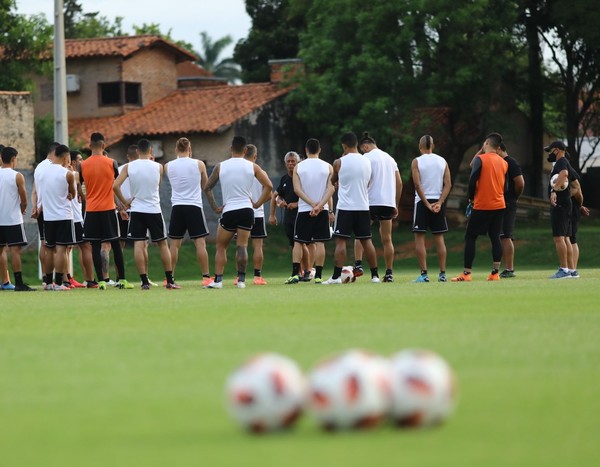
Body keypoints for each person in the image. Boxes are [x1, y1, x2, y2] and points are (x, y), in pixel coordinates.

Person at [203, 136, 273, 289]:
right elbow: (268, 186)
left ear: (230, 149)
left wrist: (215, 207)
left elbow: (207, 187)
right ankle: (241, 281)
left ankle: (219, 281)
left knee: (221, 246)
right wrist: (257, 204)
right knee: (242, 246)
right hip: (247, 211)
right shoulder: (252, 167)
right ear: (245, 150)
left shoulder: (221, 166)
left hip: (229, 210)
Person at [114, 138, 178, 290]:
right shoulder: (158, 167)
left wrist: (125, 202)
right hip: (154, 209)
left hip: (136, 210)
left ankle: (144, 281)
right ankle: (170, 280)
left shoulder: (129, 167)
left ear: (137, 151)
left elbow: (115, 185)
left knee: (138, 243)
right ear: (151, 151)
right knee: (162, 243)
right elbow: (158, 184)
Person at [452, 133, 508, 282]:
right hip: (499, 204)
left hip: (483, 204)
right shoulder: (504, 162)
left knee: (470, 236)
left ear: (487, 143)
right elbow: (505, 186)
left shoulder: (480, 159)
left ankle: (466, 273)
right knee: (495, 237)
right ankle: (495, 273)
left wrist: (471, 198)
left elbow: (472, 181)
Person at [325, 132, 380, 284]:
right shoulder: (366, 161)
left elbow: (333, 180)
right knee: (366, 241)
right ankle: (375, 276)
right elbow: (368, 182)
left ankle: (336, 277)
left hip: (345, 208)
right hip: (363, 206)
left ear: (344, 146)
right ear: (357, 144)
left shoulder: (339, 162)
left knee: (341, 242)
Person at [79, 132, 132, 289]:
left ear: (90, 146)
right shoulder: (112, 163)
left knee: (95, 245)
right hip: (108, 209)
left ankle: (101, 281)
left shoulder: (83, 165)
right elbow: (114, 186)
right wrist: (122, 205)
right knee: (115, 244)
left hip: (91, 210)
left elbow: (80, 186)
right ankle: (122, 279)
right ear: (103, 145)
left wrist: (86, 199)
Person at [285, 138, 335, 284]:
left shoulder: (299, 167)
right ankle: (318, 276)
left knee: (298, 242)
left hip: (304, 210)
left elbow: (297, 189)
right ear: (319, 150)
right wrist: (320, 206)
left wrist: (312, 204)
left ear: (306, 151)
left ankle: (295, 274)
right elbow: (331, 189)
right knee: (320, 243)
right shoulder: (328, 166)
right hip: (322, 210)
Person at [354, 132, 402, 283]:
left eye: (363, 149)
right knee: (387, 239)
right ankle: (389, 273)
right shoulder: (390, 159)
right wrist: (395, 203)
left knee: (361, 235)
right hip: (387, 203)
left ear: (366, 146)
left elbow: (363, 180)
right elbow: (399, 183)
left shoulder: (366, 158)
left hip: (369, 202)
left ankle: (358, 264)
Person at [164, 137, 211, 287]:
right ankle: (206, 277)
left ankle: (169, 278)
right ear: (190, 149)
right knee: (200, 244)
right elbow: (206, 186)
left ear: (176, 149)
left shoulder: (167, 166)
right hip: (194, 206)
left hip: (177, 207)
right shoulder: (199, 164)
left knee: (174, 245)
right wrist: (215, 205)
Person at [411, 135, 452, 283]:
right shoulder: (442, 161)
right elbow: (448, 184)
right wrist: (440, 202)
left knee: (420, 239)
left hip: (422, 202)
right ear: (432, 146)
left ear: (420, 146)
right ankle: (442, 274)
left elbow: (417, 185)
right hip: (437, 203)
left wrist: (427, 204)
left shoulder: (417, 161)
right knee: (439, 239)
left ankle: (424, 274)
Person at [269, 151, 313, 280]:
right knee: (294, 244)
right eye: (288, 161)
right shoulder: (284, 179)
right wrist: (276, 208)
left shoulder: (303, 177)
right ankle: (298, 272)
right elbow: (276, 195)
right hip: (288, 216)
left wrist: (296, 204)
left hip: (302, 214)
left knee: (302, 243)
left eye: (293, 161)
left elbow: (311, 196)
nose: (290, 164)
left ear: (298, 163)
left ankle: (307, 271)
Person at [39, 144, 76, 291]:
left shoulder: (43, 172)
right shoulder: (67, 174)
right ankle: (60, 283)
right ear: (66, 157)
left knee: (49, 249)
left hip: (48, 217)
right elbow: (72, 193)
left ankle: (48, 283)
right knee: (61, 249)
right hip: (63, 215)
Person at [0, 146, 35, 291]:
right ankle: (19, 283)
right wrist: (22, 209)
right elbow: (24, 199)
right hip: (13, 219)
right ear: (14, 159)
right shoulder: (17, 176)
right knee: (15, 250)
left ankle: (5, 281)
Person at [31, 142, 59, 288]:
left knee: (44, 244)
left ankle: (45, 277)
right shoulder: (52, 166)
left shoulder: (39, 167)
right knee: (57, 247)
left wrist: (35, 206)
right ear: (55, 152)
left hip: (41, 209)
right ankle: (55, 278)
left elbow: (34, 191)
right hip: (52, 209)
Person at [545, 141, 574, 279]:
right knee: (566, 237)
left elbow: (564, 175)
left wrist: (554, 190)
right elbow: (575, 182)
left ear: (556, 150)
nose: (549, 154)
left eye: (550, 151)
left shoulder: (561, 161)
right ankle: (571, 270)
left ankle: (564, 270)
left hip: (561, 204)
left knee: (558, 237)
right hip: (566, 203)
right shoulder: (565, 161)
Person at [243, 144, 269, 285]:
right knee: (258, 246)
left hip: (242, 212)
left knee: (242, 245)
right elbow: (270, 195)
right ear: (255, 156)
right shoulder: (261, 172)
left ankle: (239, 276)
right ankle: (257, 277)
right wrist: (258, 202)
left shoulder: (239, 172)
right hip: (257, 213)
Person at [68, 150, 94, 287]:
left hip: (64, 217)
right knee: (85, 246)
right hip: (76, 217)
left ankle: (66, 279)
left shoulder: (61, 174)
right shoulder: (75, 174)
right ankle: (90, 279)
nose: (82, 162)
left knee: (66, 248)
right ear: (72, 162)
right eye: (80, 159)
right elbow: (83, 196)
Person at [498, 143, 525, 278]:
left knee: (506, 235)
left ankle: (509, 269)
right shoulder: (498, 162)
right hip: (499, 203)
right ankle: (504, 268)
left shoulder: (511, 162)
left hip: (508, 202)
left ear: (499, 148)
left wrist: (514, 197)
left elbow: (520, 183)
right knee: (501, 236)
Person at [567, 169, 590, 278]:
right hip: (567, 209)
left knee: (572, 238)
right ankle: (569, 268)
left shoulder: (569, 171)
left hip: (572, 209)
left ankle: (573, 269)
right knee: (567, 238)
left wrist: (579, 206)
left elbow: (578, 190)